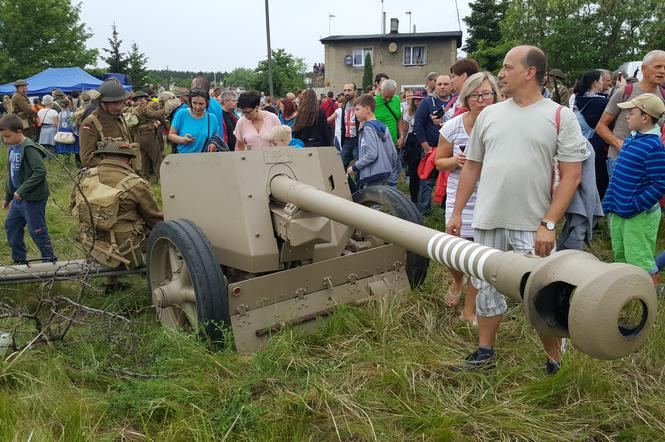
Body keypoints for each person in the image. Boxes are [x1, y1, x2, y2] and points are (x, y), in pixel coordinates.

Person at [447, 45, 589, 374]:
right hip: (488, 220)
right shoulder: (490, 116)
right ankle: (485, 352)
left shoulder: (559, 116)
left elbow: (572, 175)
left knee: (543, 292)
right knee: (485, 288)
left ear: (530, 73)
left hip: (533, 225)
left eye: (508, 67)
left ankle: (555, 362)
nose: (501, 73)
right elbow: (472, 167)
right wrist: (457, 212)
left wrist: (549, 223)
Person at [435, 72, 501, 324]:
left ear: (495, 95)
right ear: (466, 98)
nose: (482, 100)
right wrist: (455, 160)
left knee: (478, 255)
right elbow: (439, 162)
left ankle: (469, 310)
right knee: (454, 250)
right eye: (475, 95)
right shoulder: (453, 126)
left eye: (486, 94)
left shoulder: (502, 125)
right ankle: (456, 278)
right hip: (459, 195)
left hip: (490, 195)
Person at [72, 139, 163, 292]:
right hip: (126, 248)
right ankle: (160, 280)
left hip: (91, 242)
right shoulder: (136, 184)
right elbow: (154, 219)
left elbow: (73, 205)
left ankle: (111, 283)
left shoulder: (84, 176)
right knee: (159, 232)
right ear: (128, 159)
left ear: (103, 156)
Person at [602, 93, 665, 282]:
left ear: (645, 118)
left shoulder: (653, 147)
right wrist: (610, 200)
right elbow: (619, 174)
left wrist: (637, 204)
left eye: (631, 112)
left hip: (638, 216)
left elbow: (660, 183)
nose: (627, 116)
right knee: (620, 252)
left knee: (638, 257)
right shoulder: (631, 139)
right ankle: (625, 289)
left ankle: (646, 293)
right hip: (619, 209)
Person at [596, 50, 665, 177]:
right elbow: (600, 126)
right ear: (644, 69)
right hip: (620, 159)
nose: (662, 71)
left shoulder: (663, 95)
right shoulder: (626, 91)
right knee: (621, 196)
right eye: (658, 67)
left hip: (649, 163)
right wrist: (619, 144)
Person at [1, 114, 56, 264]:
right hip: (18, 200)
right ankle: (19, 261)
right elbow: (12, 173)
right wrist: (8, 196)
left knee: (37, 230)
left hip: (32, 198)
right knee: (11, 226)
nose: (5, 140)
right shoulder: (13, 148)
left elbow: (40, 171)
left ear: (19, 131)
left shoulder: (29, 147)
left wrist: (22, 190)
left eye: (7, 136)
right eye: (2, 138)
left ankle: (50, 261)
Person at [413, 74, 454, 215]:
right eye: (439, 84)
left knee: (450, 180)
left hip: (451, 151)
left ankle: (446, 209)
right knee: (426, 181)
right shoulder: (427, 102)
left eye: (446, 84)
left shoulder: (457, 102)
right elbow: (418, 125)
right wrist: (426, 147)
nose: (442, 87)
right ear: (435, 86)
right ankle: (424, 210)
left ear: (451, 86)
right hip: (431, 148)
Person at [79, 79, 138, 170]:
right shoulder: (90, 123)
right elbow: (87, 159)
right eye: (115, 102)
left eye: (121, 102)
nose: (120, 106)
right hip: (106, 177)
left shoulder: (119, 117)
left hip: (127, 173)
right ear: (103, 103)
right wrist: (118, 161)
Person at [572, 70, 611, 198]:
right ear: (595, 83)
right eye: (602, 80)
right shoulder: (599, 103)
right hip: (595, 147)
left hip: (581, 144)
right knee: (597, 179)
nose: (605, 83)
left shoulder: (580, 98)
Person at [346, 94, 396, 187]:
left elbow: (372, 154)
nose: (355, 113)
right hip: (385, 173)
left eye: (357, 109)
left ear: (367, 109)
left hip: (373, 175)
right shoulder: (383, 126)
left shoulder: (368, 128)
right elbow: (393, 153)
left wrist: (355, 167)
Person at [168, 88, 221, 153]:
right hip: (183, 158)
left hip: (204, 158)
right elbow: (171, 135)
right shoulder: (182, 114)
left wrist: (213, 144)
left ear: (207, 103)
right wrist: (183, 140)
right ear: (190, 102)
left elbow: (215, 137)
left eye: (201, 104)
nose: (197, 107)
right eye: (194, 103)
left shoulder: (212, 118)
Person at [374, 79, 404, 186]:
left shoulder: (396, 99)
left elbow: (399, 119)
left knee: (393, 174)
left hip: (394, 143)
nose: (388, 99)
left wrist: (401, 136)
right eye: (385, 96)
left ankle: (392, 195)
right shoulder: (373, 102)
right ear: (380, 90)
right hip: (380, 145)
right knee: (382, 173)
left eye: (390, 97)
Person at [130, 91, 165, 177]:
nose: (146, 101)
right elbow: (154, 115)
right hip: (147, 135)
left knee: (143, 159)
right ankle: (161, 177)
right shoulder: (141, 108)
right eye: (145, 99)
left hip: (137, 136)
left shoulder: (131, 108)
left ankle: (143, 178)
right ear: (140, 99)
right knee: (157, 157)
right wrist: (164, 109)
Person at [401, 88, 427, 204]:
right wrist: (402, 139)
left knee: (426, 173)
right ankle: (414, 199)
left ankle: (424, 200)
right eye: (416, 99)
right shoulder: (409, 112)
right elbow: (405, 128)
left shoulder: (430, 111)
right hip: (413, 142)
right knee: (414, 172)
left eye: (420, 99)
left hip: (427, 141)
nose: (418, 102)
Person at [339, 83, 359, 169]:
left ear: (355, 91)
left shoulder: (360, 104)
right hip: (347, 140)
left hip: (357, 140)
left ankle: (359, 183)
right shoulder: (344, 105)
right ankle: (347, 182)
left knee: (358, 167)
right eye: (345, 90)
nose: (346, 92)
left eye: (349, 90)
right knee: (340, 167)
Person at [54, 98, 80, 164]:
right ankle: (76, 162)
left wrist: (57, 131)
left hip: (62, 131)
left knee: (65, 147)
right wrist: (76, 132)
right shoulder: (72, 114)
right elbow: (73, 125)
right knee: (71, 146)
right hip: (69, 131)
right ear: (69, 104)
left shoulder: (59, 113)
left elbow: (58, 124)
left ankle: (66, 162)